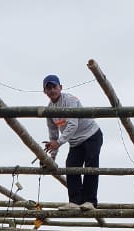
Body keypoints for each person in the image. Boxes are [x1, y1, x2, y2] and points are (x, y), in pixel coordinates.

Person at [42, 74, 103, 209]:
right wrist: (52, 158)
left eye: (54, 87)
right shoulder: (49, 110)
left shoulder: (70, 100)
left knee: (90, 166)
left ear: (60, 87)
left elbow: (72, 125)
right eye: (48, 88)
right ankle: (75, 201)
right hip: (75, 141)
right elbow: (53, 135)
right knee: (71, 166)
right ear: (45, 91)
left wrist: (58, 142)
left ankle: (90, 201)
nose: (52, 90)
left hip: (91, 135)